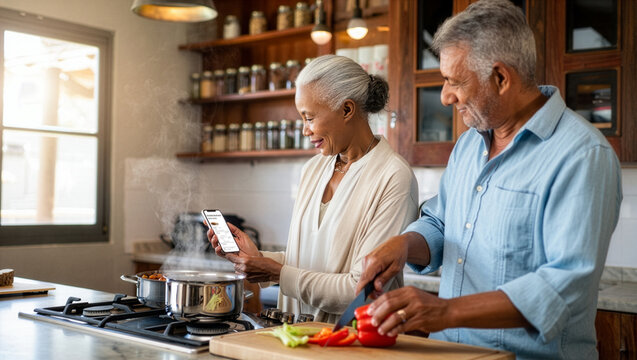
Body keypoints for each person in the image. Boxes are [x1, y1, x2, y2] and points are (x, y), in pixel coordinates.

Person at [356, 0, 622, 359]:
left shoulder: (582, 155)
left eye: (454, 81)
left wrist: (445, 311)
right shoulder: (469, 144)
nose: (447, 97)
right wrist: (404, 245)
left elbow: (564, 286)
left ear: (501, 78)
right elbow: (441, 222)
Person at [208, 55, 419, 323]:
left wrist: (276, 273)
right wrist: (258, 258)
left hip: (353, 343)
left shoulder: (393, 176)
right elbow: (306, 259)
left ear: (346, 110)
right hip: (293, 336)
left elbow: (361, 288)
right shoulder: (313, 169)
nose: (306, 130)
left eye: (309, 118)